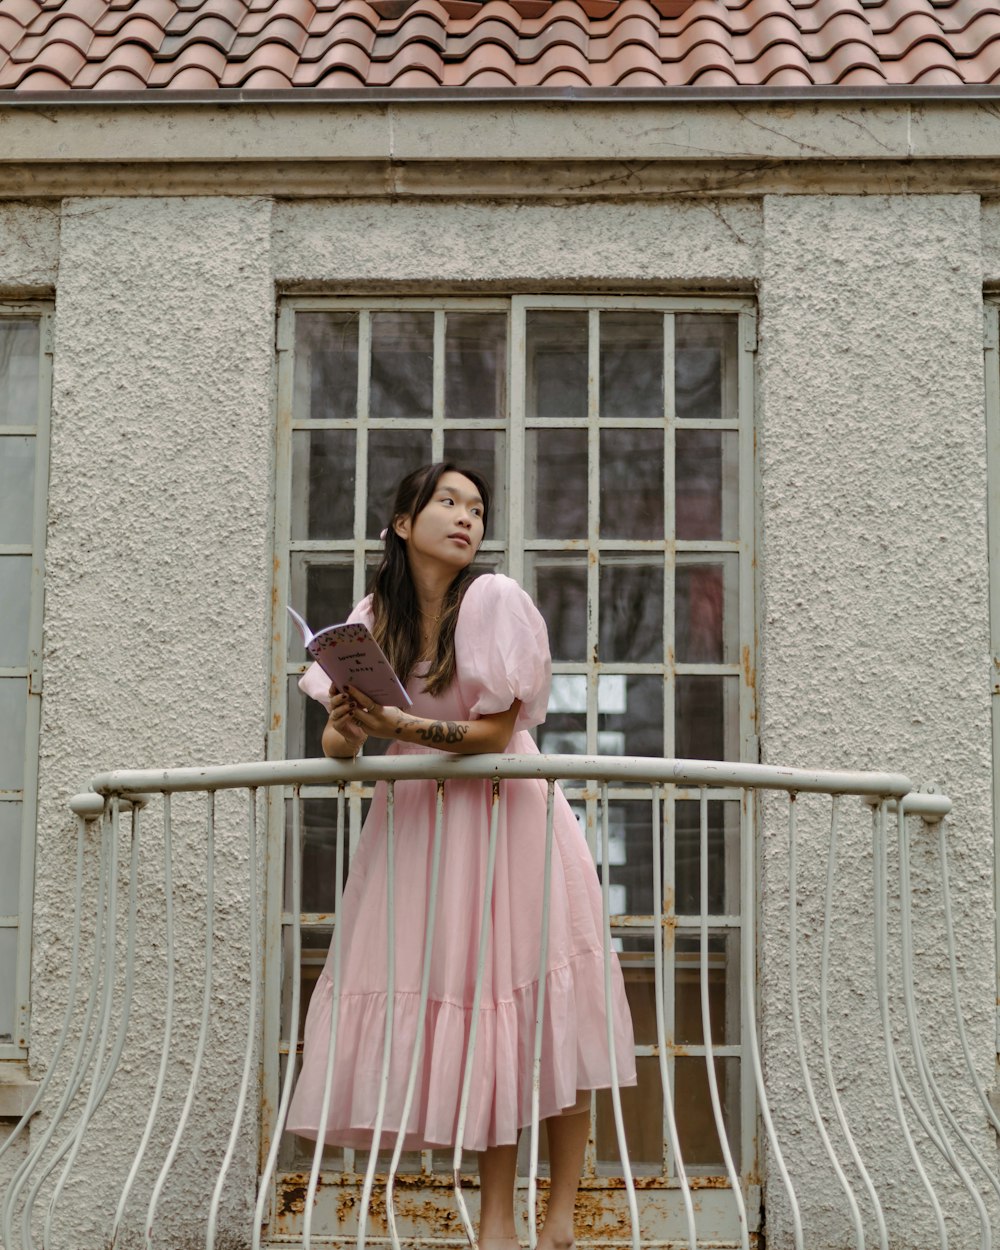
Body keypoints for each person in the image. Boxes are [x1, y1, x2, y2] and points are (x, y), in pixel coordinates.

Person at [287, 463, 636, 1250]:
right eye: (446, 502)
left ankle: (558, 1223)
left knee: (544, 1011)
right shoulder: (374, 616)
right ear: (403, 523)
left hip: (511, 827)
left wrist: (395, 728)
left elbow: (493, 732)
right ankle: (498, 1224)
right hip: (422, 837)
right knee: (487, 1022)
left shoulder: (494, 599)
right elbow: (341, 747)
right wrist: (348, 716)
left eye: (476, 507)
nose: (465, 517)